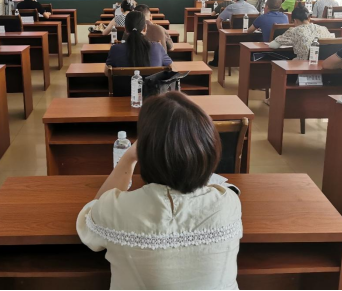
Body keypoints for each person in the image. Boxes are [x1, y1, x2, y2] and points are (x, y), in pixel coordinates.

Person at [77, 91, 242, 290]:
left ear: (146, 153)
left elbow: (88, 219)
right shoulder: (229, 202)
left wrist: (128, 157)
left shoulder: (116, 210)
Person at [106, 11, 172, 69]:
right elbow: (172, 68)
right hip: (152, 80)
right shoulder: (157, 47)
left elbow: (107, 72)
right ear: (145, 28)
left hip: (124, 80)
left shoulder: (115, 49)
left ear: (125, 29)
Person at [269, 6, 334, 59]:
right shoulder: (323, 28)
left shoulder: (294, 30)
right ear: (309, 18)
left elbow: (273, 45)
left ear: (295, 20)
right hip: (323, 63)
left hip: (304, 65)